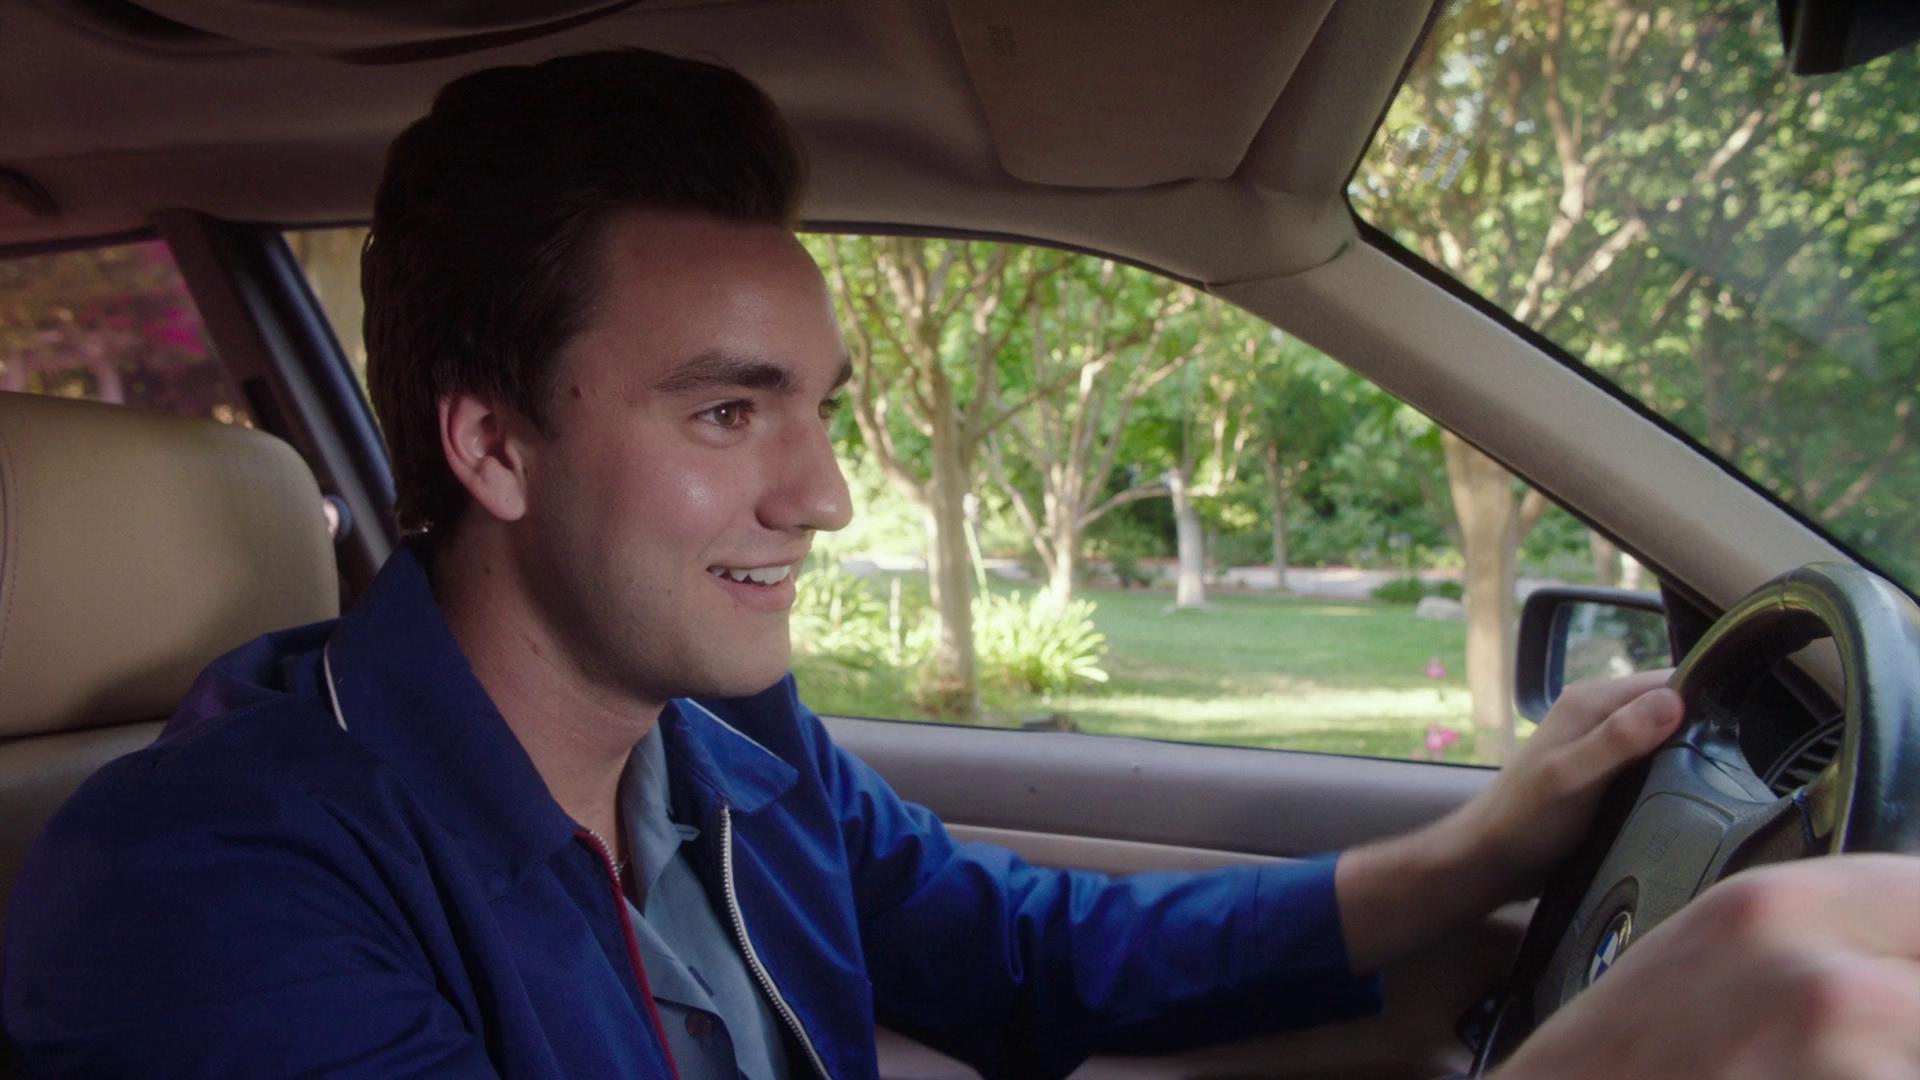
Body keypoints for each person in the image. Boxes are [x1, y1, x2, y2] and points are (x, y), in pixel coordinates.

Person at [5, 48, 1919, 1080]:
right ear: (492, 446)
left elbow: (1026, 956)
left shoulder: (727, 754)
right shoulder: (197, 883)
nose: (827, 497)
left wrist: (1478, 854)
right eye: (729, 411)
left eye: (819, 408)